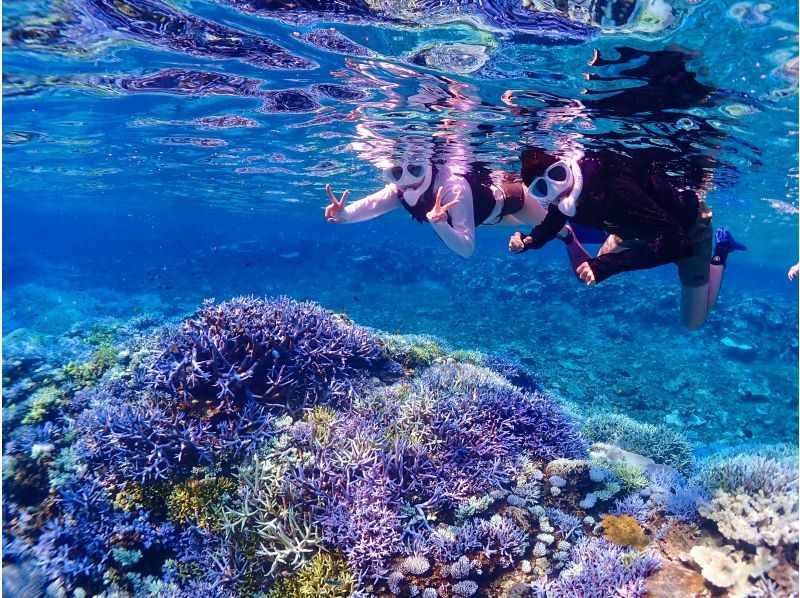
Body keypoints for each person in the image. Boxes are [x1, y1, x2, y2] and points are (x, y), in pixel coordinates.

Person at [508, 147, 747, 329]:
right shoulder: (562, 202)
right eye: (542, 189)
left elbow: (677, 243)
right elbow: (551, 224)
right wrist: (529, 241)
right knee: (593, 266)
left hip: (687, 231)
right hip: (639, 229)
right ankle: (613, 248)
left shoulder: (612, 185)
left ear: (567, 166)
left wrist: (608, 266)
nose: (556, 188)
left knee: (693, 323)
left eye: (558, 175)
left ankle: (722, 249)